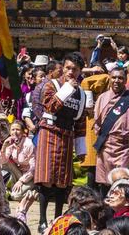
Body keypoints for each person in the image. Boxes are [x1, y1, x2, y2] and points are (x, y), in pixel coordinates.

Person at [34, 52, 87, 233]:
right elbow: (50, 106)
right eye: (68, 68)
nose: (71, 72)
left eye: (75, 69)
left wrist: (81, 149)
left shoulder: (82, 94)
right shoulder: (52, 85)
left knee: (62, 181)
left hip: (67, 136)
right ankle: (42, 220)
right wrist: (67, 89)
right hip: (49, 132)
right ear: (63, 68)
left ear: (80, 71)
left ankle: (58, 217)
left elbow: (80, 122)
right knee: (46, 178)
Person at [94, 66, 129, 192]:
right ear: (109, 78)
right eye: (114, 77)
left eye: (120, 78)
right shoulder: (102, 97)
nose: (116, 80)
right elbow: (97, 123)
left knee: (122, 183)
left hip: (124, 148)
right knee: (105, 184)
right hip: (106, 146)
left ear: (125, 80)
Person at [0, 121, 35, 200]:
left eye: (17, 129)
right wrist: (4, 147)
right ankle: (11, 187)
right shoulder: (10, 143)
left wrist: (21, 181)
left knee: (15, 196)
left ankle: (35, 192)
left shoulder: (29, 144)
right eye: (13, 130)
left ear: (23, 132)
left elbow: (33, 168)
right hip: (19, 173)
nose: (15, 132)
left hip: (30, 176)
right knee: (4, 164)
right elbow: (2, 161)